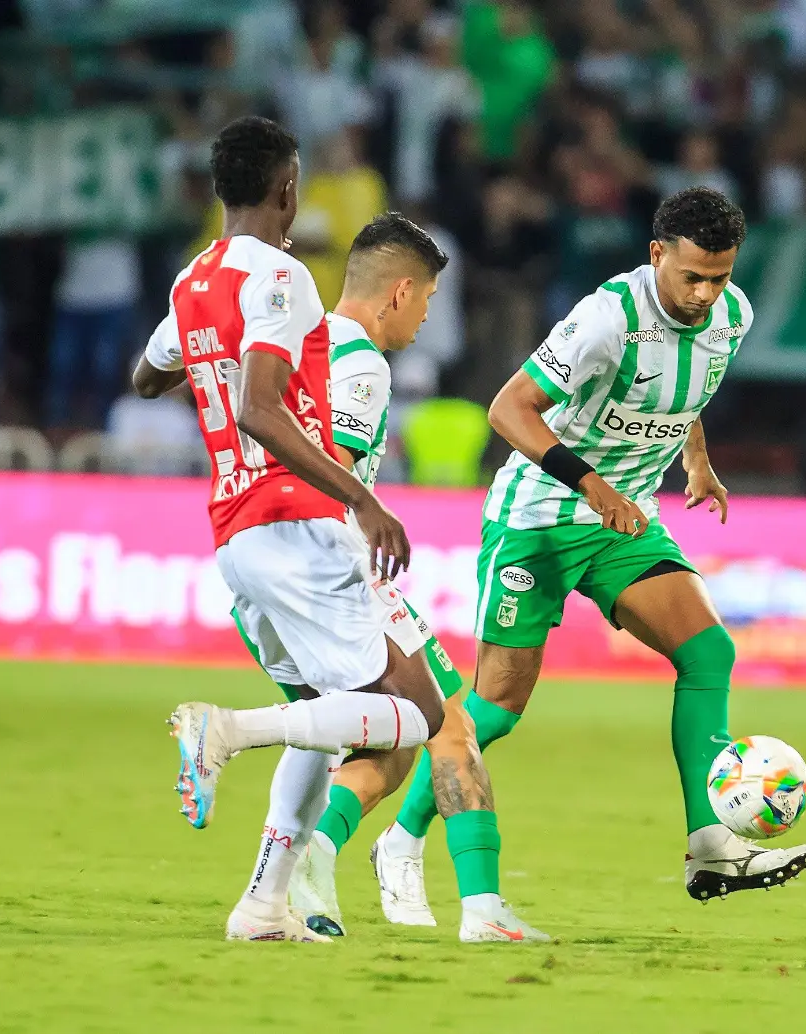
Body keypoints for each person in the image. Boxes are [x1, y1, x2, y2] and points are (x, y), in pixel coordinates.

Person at [378, 187, 806, 914]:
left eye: (721, 277)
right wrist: (591, 488)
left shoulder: (731, 316)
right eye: (693, 277)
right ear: (656, 255)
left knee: (709, 652)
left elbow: (691, 389)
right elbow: (507, 408)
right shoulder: (606, 318)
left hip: (627, 520)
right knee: (497, 704)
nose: (707, 294)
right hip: (541, 516)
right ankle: (399, 839)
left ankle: (711, 844)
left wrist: (695, 460)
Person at [132, 117, 474, 944]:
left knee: (332, 723)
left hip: (235, 537)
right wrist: (361, 498)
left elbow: (147, 377)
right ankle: (228, 729)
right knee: (415, 716)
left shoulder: (193, 280)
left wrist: (207, 361)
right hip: (298, 522)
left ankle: (262, 904)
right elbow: (260, 407)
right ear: (289, 188)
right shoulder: (283, 276)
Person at [231, 212, 547, 944]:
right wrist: (366, 511)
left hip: (256, 565)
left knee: (383, 744)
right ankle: (483, 912)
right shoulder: (363, 363)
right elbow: (334, 467)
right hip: (336, 578)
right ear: (400, 292)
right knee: (452, 730)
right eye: (430, 300)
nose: (428, 316)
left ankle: (274, 891)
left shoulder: (298, 346)